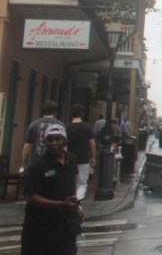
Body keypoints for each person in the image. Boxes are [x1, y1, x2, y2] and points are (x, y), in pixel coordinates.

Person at [21, 123, 84, 254]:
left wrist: (77, 206)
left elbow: (72, 186)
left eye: (57, 139)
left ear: (65, 141)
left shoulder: (71, 160)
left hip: (65, 225)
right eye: (50, 140)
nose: (54, 143)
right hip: (41, 227)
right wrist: (60, 204)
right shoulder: (38, 167)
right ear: (45, 142)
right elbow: (31, 196)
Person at [21, 100, 63, 173]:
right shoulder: (60, 125)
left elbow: (26, 147)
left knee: (37, 182)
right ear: (55, 111)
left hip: (37, 161)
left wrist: (23, 164)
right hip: (54, 162)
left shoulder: (34, 124)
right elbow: (64, 146)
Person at [65, 104, 95, 197]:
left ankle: (72, 200)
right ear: (82, 114)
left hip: (69, 158)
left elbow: (64, 145)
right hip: (83, 158)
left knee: (70, 182)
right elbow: (92, 143)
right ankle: (77, 202)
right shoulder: (87, 127)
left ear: (71, 114)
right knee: (82, 183)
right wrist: (92, 157)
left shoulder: (67, 128)